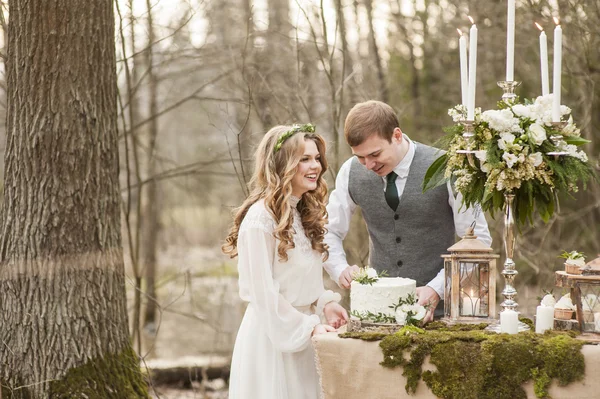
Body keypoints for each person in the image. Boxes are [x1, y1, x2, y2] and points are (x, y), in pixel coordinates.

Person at [324, 100, 492, 322]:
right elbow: (327, 231)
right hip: (378, 317)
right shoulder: (349, 172)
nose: (368, 165)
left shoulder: (449, 167)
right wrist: (339, 269)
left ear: (396, 135)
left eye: (375, 154)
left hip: (443, 317)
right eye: (360, 157)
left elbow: (479, 243)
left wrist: (437, 289)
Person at [223, 124, 348, 399]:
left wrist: (324, 306)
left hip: (305, 337)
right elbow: (261, 292)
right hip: (271, 341)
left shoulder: (303, 213)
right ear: (283, 165)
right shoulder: (259, 220)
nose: (314, 165)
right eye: (304, 159)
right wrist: (308, 326)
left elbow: (302, 280)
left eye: (316, 158)